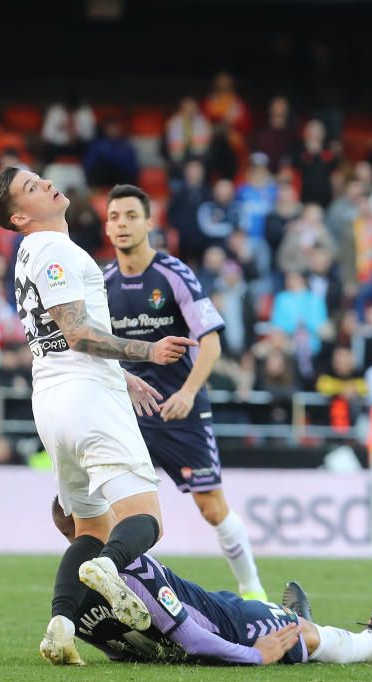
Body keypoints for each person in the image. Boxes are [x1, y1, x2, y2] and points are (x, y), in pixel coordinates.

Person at [0, 166, 197, 666]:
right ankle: (107, 570)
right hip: (86, 398)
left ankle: (61, 626)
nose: (46, 183)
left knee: (90, 529)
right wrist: (147, 351)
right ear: (19, 215)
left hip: (53, 401)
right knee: (144, 518)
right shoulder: (54, 250)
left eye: (39, 177)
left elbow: (58, 340)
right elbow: (77, 334)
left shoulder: (30, 256)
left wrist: (121, 375)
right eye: (31, 188)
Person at [103, 184, 266, 601]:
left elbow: (210, 341)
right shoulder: (101, 282)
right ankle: (118, 594)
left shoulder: (173, 274)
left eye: (131, 216)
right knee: (114, 510)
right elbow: (93, 347)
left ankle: (252, 590)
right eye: (115, 217)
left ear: (150, 223)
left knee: (212, 507)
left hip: (180, 408)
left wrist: (189, 393)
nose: (122, 224)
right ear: (107, 226)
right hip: (128, 412)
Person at [53, 498, 372, 666]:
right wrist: (254, 655)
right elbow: (193, 639)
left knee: (232, 603)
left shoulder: (66, 608)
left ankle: (282, 612)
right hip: (227, 627)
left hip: (204, 605)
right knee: (306, 635)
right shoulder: (128, 565)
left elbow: (118, 650)